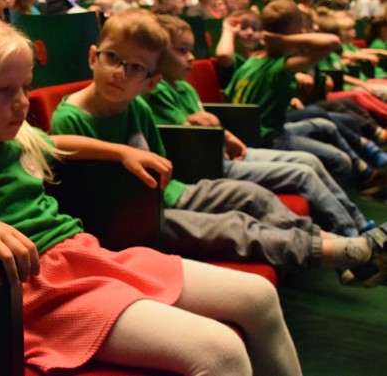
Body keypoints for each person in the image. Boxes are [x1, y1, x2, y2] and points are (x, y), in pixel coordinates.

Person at [0, 14, 303, 375]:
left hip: (84, 256)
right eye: (5, 91)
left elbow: (55, 143)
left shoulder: (7, 133)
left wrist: (119, 151)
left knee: (257, 296)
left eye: (26, 87)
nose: (23, 102)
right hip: (40, 291)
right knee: (220, 353)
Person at [50, 9, 386, 283]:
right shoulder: (72, 117)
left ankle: (342, 247)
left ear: (151, 82)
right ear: (93, 57)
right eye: (112, 58)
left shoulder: (136, 107)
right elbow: (64, 158)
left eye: (136, 68)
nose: (121, 73)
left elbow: (161, 164)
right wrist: (124, 153)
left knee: (252, 196)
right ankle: (352, 252)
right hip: (131, 219)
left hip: (167, 194)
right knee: (234, 227)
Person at [146, 14, 371, 237]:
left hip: (228, 152)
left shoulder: (186, 88)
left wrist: (225, 135)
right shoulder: (157, 90)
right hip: (210, 164)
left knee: (312, 153)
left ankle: (359, 224)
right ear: (158, 55)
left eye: (191, 50)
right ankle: (351, 237)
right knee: (304, 172)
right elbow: (193, 132)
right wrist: (212, 128)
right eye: (182, 51)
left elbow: (207, 124)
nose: (192, 58)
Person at [225, 0, 387, 197]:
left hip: (268, 130)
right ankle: (342, 215)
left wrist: (277, 39)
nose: (303, 34)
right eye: (299, 30)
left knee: (325, 124)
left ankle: (368, 167)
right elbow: (331, 42)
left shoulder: (252, 62)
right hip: (270, 138)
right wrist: (282, 40)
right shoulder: (278, 66)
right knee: (339, 160)